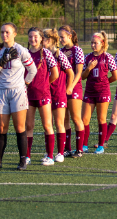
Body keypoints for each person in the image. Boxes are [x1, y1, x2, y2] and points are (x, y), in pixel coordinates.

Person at [0, 23, 37, 170]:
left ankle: (23, 160)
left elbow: (32, 69)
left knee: (19, 126)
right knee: (2, 127)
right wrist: (2, 61)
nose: (5, 35)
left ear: (14, 34)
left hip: (17, 92)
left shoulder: (20, 50)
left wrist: (26, 83)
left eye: (8, 32)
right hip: (1, 91)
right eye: (2, 32)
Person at [25, 27, 59, 166]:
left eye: (36, 37)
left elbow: (55, 74)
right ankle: (26, 156)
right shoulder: (24, 53)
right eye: (31, 37)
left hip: (43, 94)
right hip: (27, 94)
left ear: (41, 39)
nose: (33, 39)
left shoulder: (46, 53)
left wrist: (44, 83)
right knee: (28, 126)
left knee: (47, 125)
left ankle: (50, 156)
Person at [81, 31, 117, 154]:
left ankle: (101, 146)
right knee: (84, 119)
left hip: (103, 92)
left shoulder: (108, 57)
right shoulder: (87, 57)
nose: (93, 45)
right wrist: (88, 68)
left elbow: (115, 75)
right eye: (91, 43)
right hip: (89, 91)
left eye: (95, 43)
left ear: (102, 43)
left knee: (101, 119)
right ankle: (84, 145)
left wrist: (106, 82)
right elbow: (83, 77)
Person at [42, 28, 74, 162]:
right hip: (45, 94)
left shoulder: (59, 55)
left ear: (48, 40)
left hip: (58, 93)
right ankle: (49, 152)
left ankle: (60, 153)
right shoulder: (41, 54)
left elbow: (71, 73)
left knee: (59, 123)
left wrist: (68, 88)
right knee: (47, 124)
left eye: (42, 38)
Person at [58, 25, 85, 158]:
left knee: (76, 118)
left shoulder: (77, 50)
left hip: (74, 88)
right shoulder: (60, 51)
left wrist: (70, 86)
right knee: (65, 119)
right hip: (62, 88)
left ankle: (79, 149)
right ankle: (67, 148)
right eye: (59, 37)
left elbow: (79, 72)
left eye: (62, 37)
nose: (60, 40)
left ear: (69, 36)